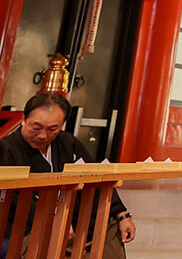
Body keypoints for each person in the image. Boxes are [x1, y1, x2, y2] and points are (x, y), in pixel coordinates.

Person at [0, 92, 134, 258]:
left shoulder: (67, 143)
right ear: (23, 120)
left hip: (76, 220)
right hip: (31, 227)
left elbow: (95, 177)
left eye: (52, 129)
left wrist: (122, 215)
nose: (43, 135)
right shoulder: (6, 150)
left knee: (109, 224)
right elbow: (13, 201)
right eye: (36, 127)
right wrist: (55, 220)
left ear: (62, 125)